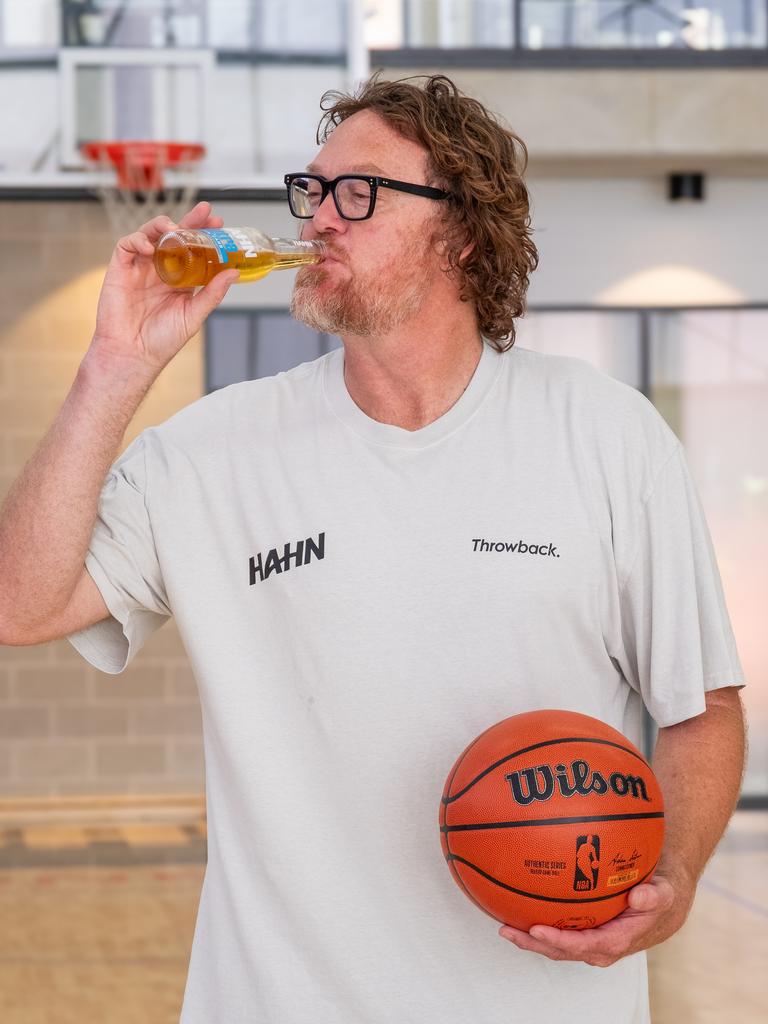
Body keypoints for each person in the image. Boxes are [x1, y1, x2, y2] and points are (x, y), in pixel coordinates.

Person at [0, 73, 746, 1024]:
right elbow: (18, 607)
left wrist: (671, 875)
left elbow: (702, 708)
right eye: (311, 191)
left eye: (359, 193)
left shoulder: (606, 434)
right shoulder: (208, 453)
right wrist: (115, 368)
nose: (317, 220)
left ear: (463, 230)